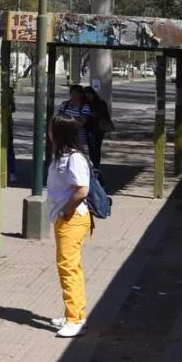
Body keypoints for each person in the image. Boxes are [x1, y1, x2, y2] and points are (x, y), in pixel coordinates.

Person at [47, 113, 92, 338]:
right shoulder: (61, 155)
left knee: (68, 267)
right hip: (63, 217)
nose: (48, 132)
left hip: (72, 219)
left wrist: (66, 211)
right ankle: (74, 313)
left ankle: (74, 319)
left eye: (51, 128)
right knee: (69, 266)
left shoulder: (74, 158)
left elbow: (82, 189)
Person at [82, 86, 110, 170]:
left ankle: (96, 165)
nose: (88, 97)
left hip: (97, 128)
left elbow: (103, 114)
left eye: (89, 95)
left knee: (96, 148)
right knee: (92, 148)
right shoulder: (85, 103)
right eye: (86, 95)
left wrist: (92, 115)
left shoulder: (99, 103)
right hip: (90, 128)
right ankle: (93, 164)